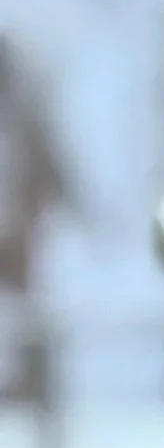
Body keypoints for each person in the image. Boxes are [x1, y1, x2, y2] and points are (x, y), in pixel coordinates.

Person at [0, 32, 75, 398]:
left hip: (17, 241)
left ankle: (33, 400)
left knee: (32, 324)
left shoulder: (24, 102)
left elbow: (49, 170)